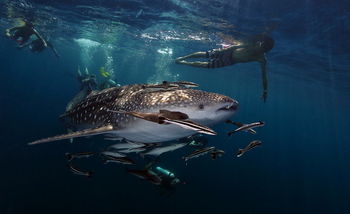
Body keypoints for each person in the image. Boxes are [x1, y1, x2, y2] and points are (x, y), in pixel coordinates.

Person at [175, 34, 274, 101]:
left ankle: (183, 63)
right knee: (205, 54)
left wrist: (265, 91)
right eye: (261, 46)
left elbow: (264, 76)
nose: (260, 49)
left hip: (230, 61)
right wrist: (222, 51)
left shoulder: (262, 58)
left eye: (263, 50)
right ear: (260, 43)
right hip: (228, 52)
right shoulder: (252, 44)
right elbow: (235, 47)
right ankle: (183, 58)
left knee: (207, 66)